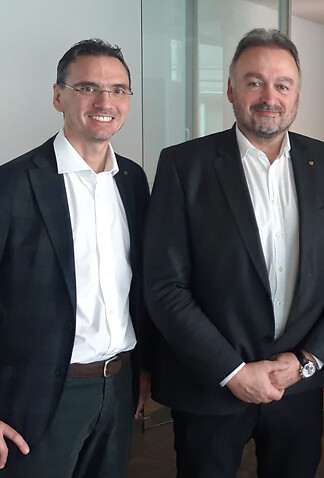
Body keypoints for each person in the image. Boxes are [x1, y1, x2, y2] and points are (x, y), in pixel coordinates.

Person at [143, 28, 324, 478]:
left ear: (297, 96)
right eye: (254, 82)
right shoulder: (183, 166)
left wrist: (309, 360)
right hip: (210, 387)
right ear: (231, 90)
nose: (269, 97)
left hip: (297, 388)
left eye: (283, 85)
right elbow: (165, 285)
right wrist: (232, 371)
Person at [0, 39, 152, 478]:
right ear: (58, 96)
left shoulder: (133, 181)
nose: (105, 102)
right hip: (35, 399)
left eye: (118, 90)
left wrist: (142, 371)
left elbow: (140, 288)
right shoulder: (12, 185)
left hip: (118, 389)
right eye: (87, 88)